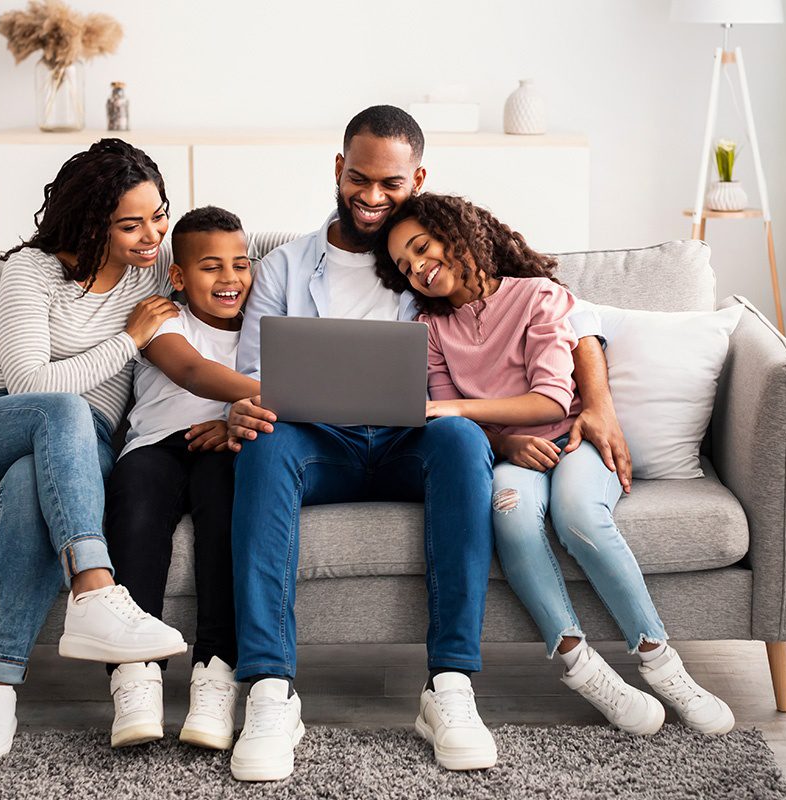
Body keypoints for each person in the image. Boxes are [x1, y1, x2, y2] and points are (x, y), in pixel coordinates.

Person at [222, 106, 627, 781]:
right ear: (338, 170)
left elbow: (563, 307)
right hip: (320, 445)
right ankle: (269, 691)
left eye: (391, 184)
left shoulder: (438, 250)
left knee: (464, 444)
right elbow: (257, 374)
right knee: (263, 446)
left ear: (419, 180)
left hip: (420, 440)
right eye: (358, 179)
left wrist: (601, 401)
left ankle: (450, 689)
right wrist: (244, 404)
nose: (373, 198)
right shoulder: (285, 267)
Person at [377, 193, 736, 737]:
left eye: (421, 247)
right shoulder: (431, 330)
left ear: (456, 233)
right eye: (404, 266)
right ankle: (581, 666)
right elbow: (456, 426)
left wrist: (455, 408)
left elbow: (548, 399)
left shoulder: (539, 297)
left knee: (578, 515)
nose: (417, 268)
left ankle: (661, 662)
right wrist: (502, 442)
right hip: (514, 452)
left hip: (572, 438)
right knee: (512, 517)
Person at [0, 139, 188, 764]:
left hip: (84, 455)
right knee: (63, 408)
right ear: (90, 221)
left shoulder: (157, 268)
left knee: (33, 484)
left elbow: (235, 259)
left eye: (158, 214)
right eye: (130, 225)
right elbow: (27, 383)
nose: (152, 233)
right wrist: (131, 338)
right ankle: (97, 590)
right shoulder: (34, 270)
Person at [103, 206, 260, 751]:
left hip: (223, 447)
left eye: (241, 264)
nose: (230, 279)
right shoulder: (162, 317)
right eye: (211, 267)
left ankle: (216, 672)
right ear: (178, 275)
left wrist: (232, 420)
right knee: (136, 512)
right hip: (156, 447)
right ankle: (135, 674)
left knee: (227, 521)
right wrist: (289, 395)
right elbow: (191, 371)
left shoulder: (265, 329)